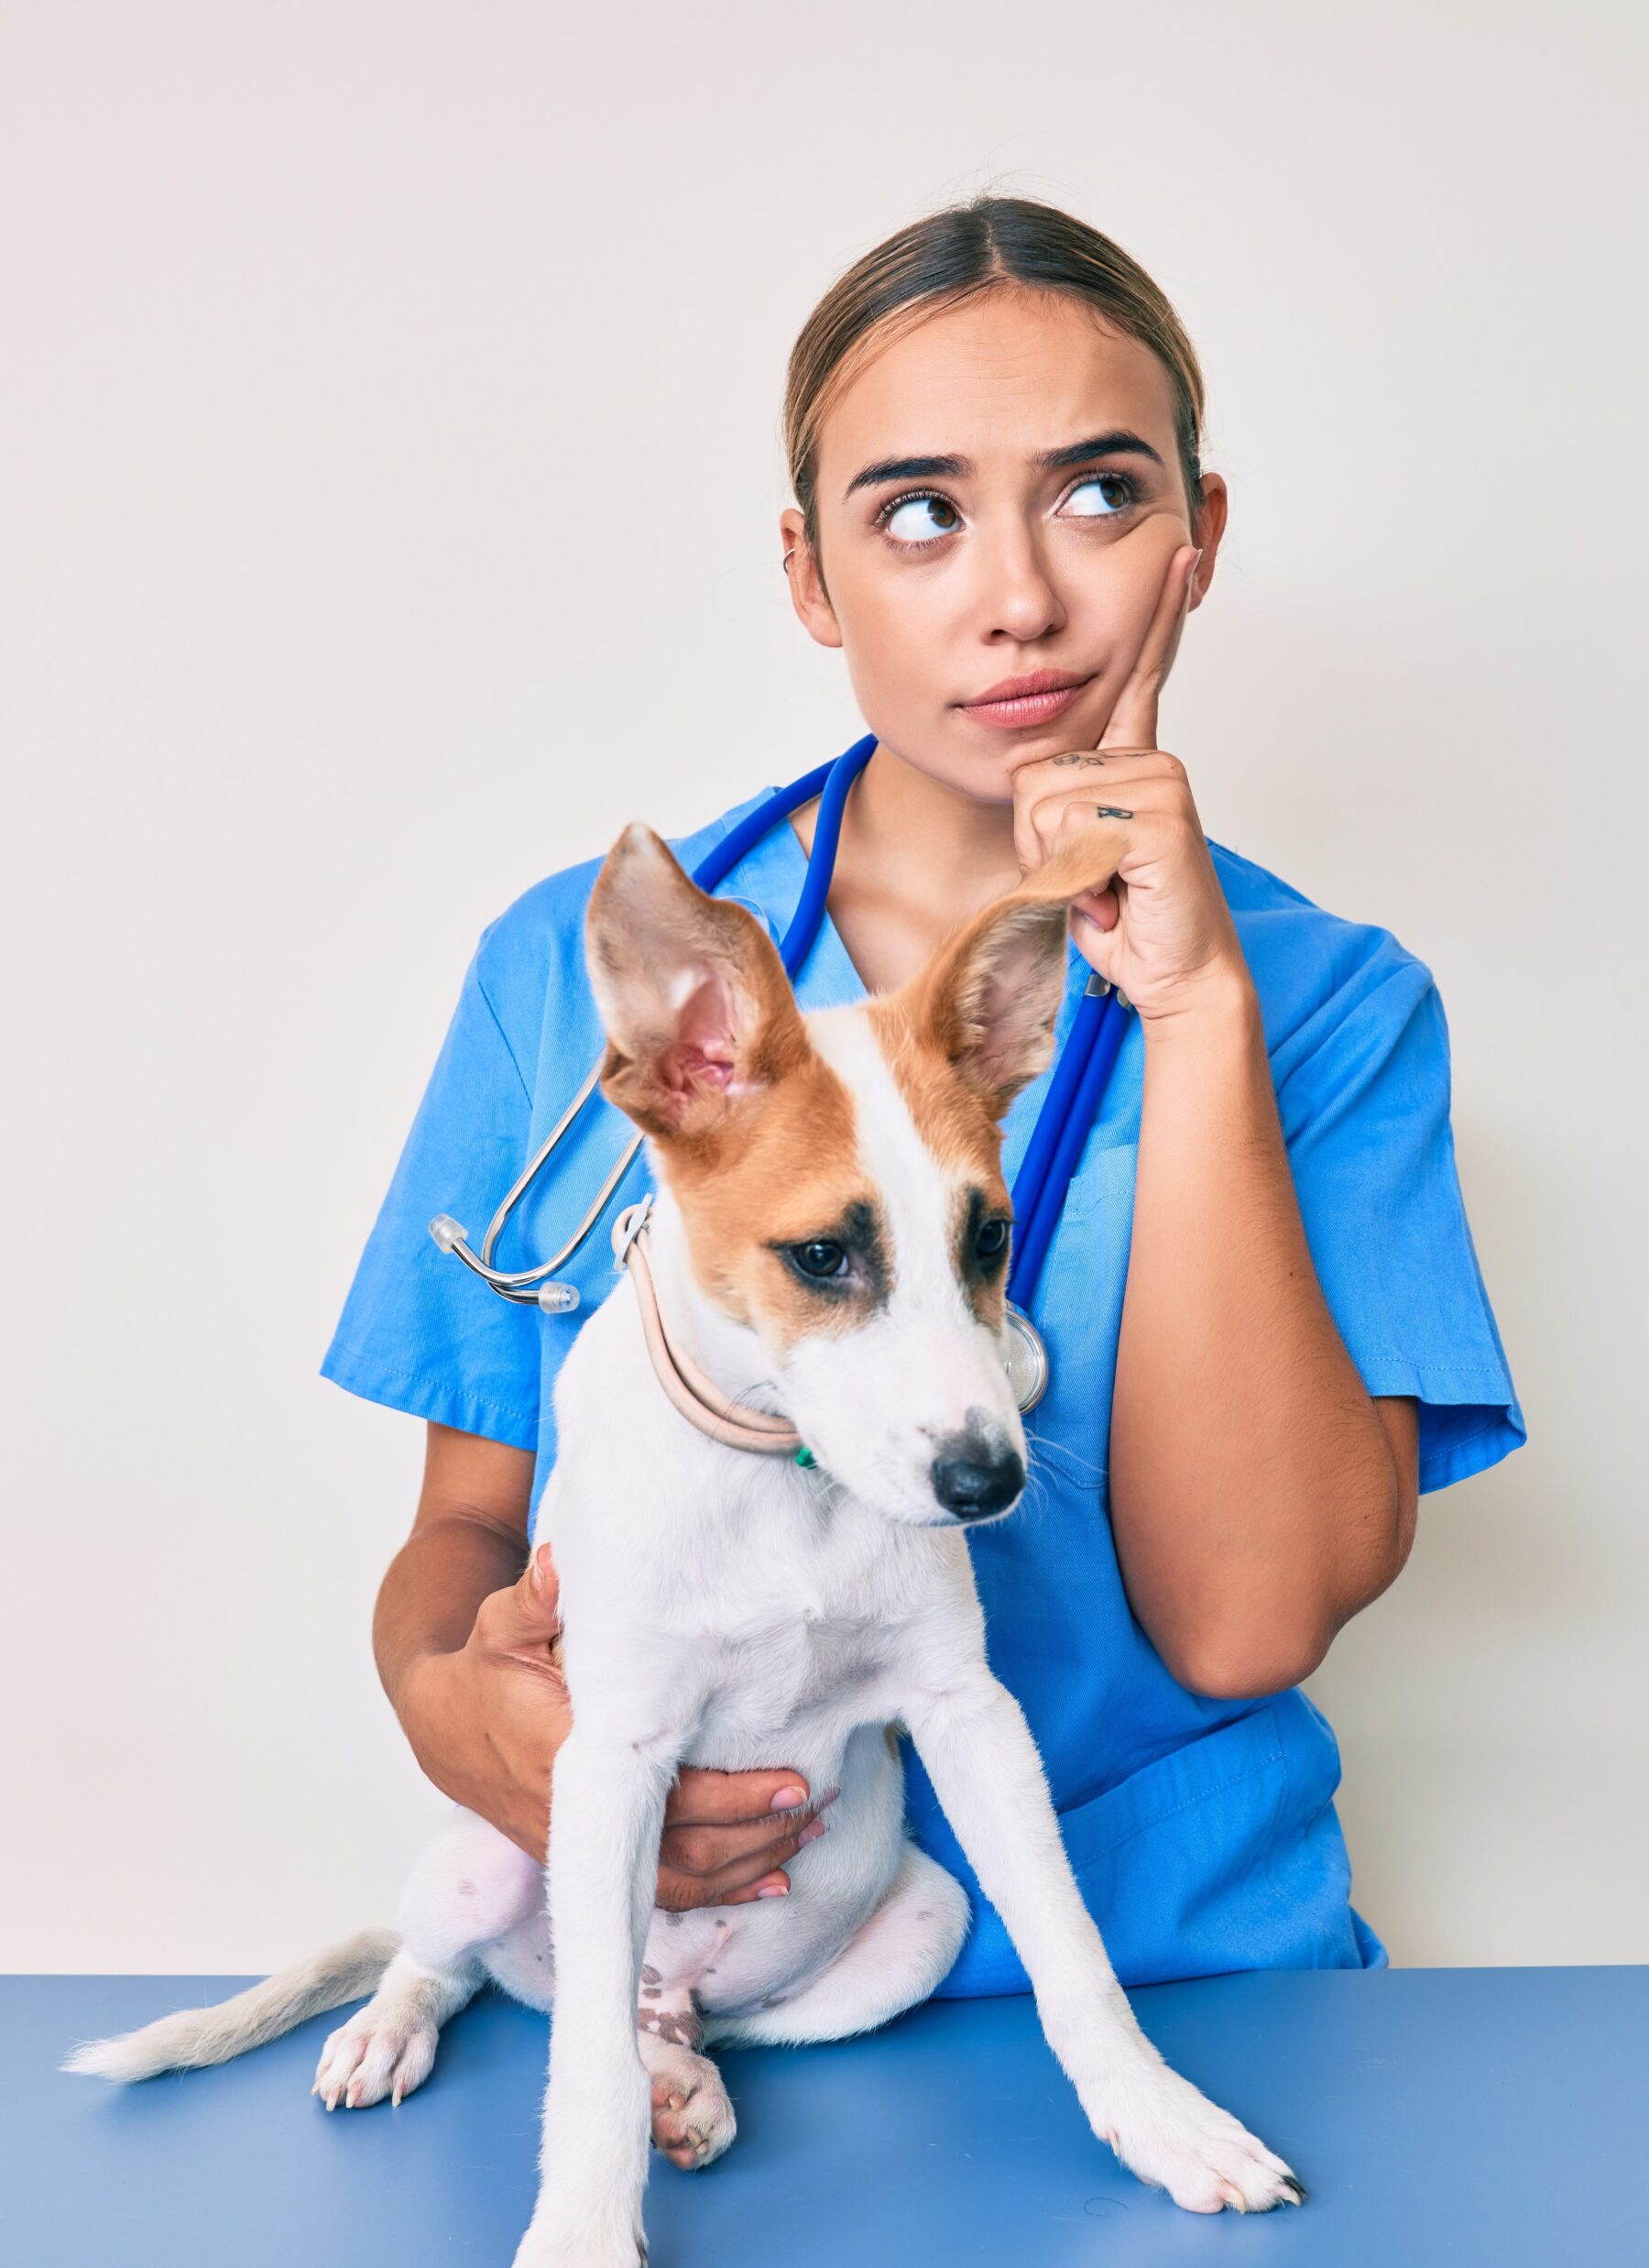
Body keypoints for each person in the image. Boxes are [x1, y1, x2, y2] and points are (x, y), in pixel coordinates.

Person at [323, 195, 1525, 1994]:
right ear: (812, 574)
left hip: (1189, 1979)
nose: (1021, 594)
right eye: (921, 515)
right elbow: (469, 1532)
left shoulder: (1330, 1007)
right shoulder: (578, 978)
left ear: (1198, 538)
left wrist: (1191, 1005)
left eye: (1103, 493)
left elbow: (1245, 1618)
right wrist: (452, 1709)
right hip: (711, 1985)